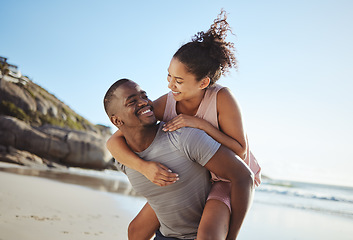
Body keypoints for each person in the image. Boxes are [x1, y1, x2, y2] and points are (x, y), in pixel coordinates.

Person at [103, 79, 254, 240]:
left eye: (144, 96)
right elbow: (163, 195)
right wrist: (143, 167)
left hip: (203, 231)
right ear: (117, 121)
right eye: (132, 101)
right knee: (135, 231)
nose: (144, 102)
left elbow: (244, 176)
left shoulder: (184, 137)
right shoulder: (124, 158)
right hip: (166, 235)